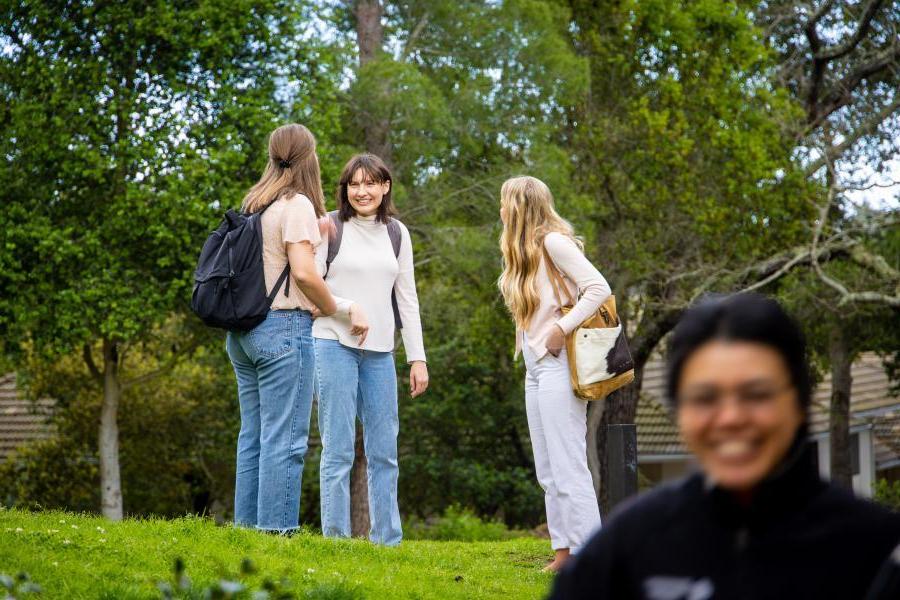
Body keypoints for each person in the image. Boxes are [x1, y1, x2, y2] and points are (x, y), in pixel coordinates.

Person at [550, 293, 900, 599]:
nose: (731, 418)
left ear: (798, 402)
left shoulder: (876, 553)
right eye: (705, 398)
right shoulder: (629, 547)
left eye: (756, 394)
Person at [312, 153, 428, 546]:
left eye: (370, 183)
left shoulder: (397, 233)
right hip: (332, 343)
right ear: (345, 189)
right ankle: (336, 541)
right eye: (354, 184)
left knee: (385, 452)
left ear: (385, 187)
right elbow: (311, 291)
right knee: (338, 449)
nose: (362, 191)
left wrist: (417, 357)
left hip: (380, 352)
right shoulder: (329, 227)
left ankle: (388, 541)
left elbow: (407, 298)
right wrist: (347, 308)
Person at [226, 123, 337, 533]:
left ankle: (246, 530)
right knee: (286, 440)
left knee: (253, 435)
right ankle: (275, 533)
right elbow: (305, 275)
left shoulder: (256, 202)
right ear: (310, 158)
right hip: (284, 329)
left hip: (243, 334)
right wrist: (333, 310)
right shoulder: (298, 204)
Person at [497, 176, 611, 572]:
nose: (500, 211)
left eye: (504, 203)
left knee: (568, 464)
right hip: (536, 367)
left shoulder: (553, 243)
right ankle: (563, 552)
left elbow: (599, 288)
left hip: (560, 364)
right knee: (548, 469)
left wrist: (561, 329)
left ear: (520, 207)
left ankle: (589, 557)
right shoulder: (524, 251)